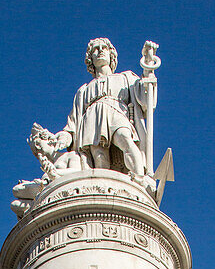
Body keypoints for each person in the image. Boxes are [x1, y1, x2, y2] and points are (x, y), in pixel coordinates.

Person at [56, 38, 155, 180]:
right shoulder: (83, 91)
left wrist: (148, 69)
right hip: (91, 119)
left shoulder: (125, 77)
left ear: (111, 55)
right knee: (99, 156)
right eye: (95, 49)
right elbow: (72, 123)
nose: (100, 50)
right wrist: (63, 137)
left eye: (104, 48)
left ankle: (139, 178)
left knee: (126, 139)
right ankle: (103, 185)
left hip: (116, 111)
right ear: (90, 59)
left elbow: (144, 98)